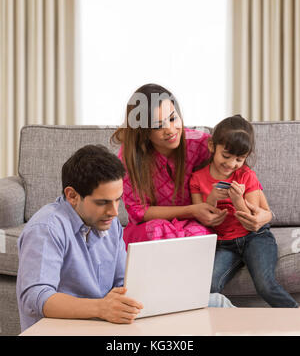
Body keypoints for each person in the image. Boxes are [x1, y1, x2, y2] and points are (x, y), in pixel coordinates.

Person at [112, 83, 272, 247]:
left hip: (193, 225)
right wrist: (192, 210)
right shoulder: (129, 157)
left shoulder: (201, 143)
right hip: (151, 227)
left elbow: (237, 167)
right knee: (158, 230)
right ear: (143, 131)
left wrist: (267, 215)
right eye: (158, 126)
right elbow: (139, 211)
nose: (170, 130)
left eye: (173, 118)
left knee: (200, 236)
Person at [16, 144, 143, 332]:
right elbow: (36, 296)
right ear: (72, 195)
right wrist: (101, 308)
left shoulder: (110, 224)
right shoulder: (46, 229)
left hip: (101, 326)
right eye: (103, 202)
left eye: (118, 199)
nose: (114, 212)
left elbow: (122, 282)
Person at [190, 114, 299, 308]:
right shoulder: (197, 179)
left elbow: (251, 220)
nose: (231, 164)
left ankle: (294, 317)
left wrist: (237, 200)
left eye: (239, 159)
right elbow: (204, 219)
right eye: (226, 156)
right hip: (225, 244)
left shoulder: (246, 175)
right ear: (212, 147)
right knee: (209, 286)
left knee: (265, 285)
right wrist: (213, 198)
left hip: (255, 237)